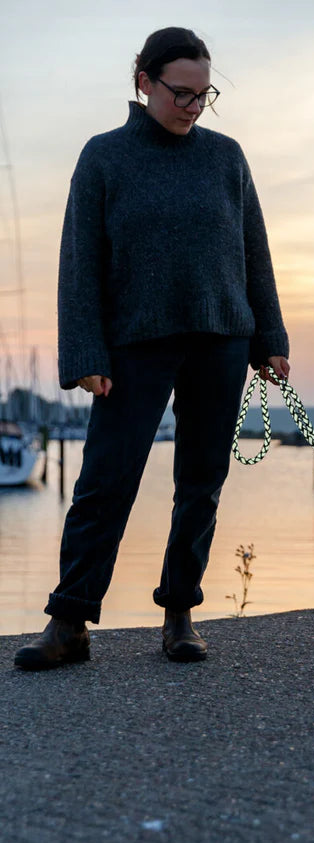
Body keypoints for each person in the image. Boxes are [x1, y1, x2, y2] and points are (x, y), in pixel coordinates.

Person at [14, 26, 290, 669]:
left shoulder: (227, 158)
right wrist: (85, 355)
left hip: (223, 338)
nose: (192, 107)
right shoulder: (103, 156)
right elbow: (79, 262)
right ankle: (70, 622)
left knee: (202, 483)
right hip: (134, 344)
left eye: (204, 96)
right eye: (181, 93)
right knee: (106, 480)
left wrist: (270, 338)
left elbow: (255, 252)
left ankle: (179, 614)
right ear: (144, 80)